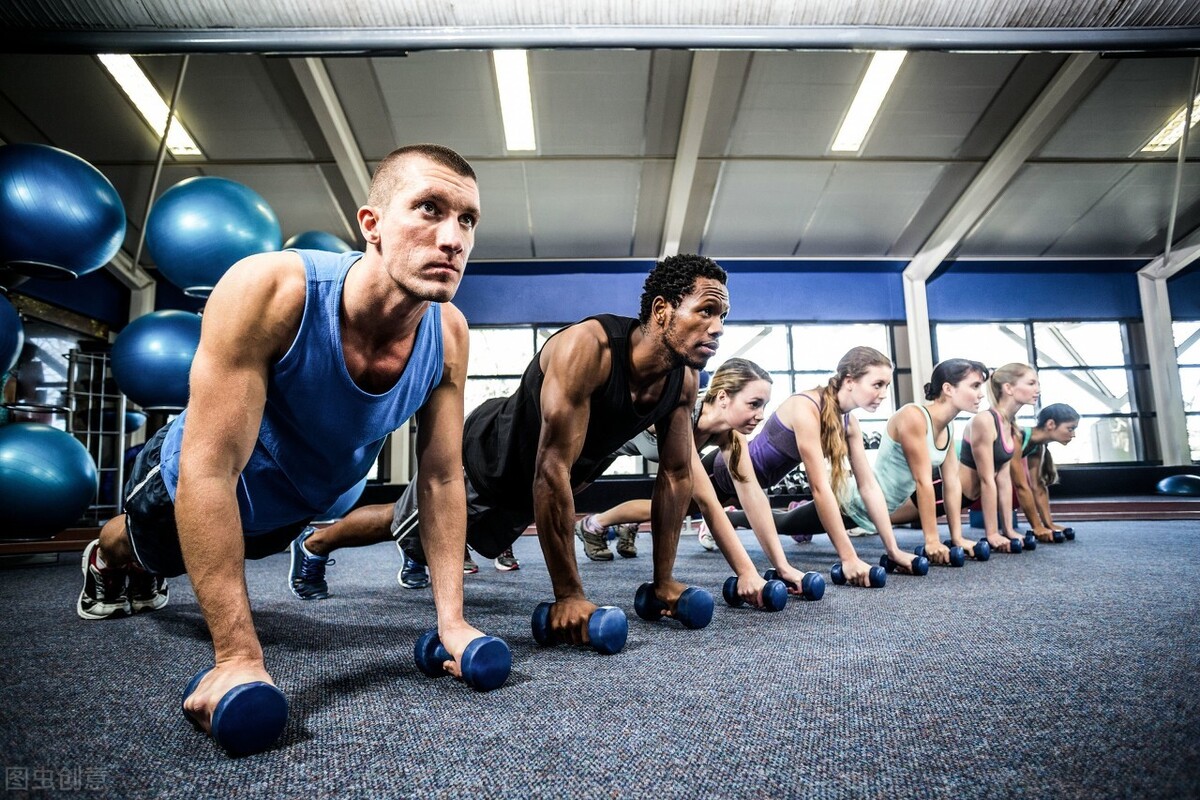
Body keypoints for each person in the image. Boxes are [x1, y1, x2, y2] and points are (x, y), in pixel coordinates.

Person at [76, 144, 492, 726]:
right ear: (370, 225)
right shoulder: (272, 290)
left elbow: (443, 477)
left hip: (294, 511)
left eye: (467, 219)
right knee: (146, 551)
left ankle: (145, 566)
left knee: (184, 567)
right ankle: (108, 554)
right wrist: (237, 658)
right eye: (428, 208)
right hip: (190, 489)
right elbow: (208, 470)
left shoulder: (449, 333)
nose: (453, 238)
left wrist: (452, 621)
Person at [309, 254, 730, 643]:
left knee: (461, 542)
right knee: (396, 523)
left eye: (723, 316)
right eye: (706, 311)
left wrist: (664, 582)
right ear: (661, 310)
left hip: (530, 489)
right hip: (485, 462)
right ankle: (316, 545)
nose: (718, 327)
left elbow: (675, 476)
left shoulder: (683, 381)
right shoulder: (589, 349)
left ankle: (421, 555)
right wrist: (568, 594)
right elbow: (551, 468)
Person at [576, 358, 812, 605]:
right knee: (559, 494)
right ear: (723, 397)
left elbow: (752, 495)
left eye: (764, 406)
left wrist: (783, 567)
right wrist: (746, 573)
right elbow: (709, 502)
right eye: (754, 404)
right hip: (593, 440)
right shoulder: (681, 416)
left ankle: (612, 525)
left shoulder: (731, 433)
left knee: (678, 503)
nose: (761, 415)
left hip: (625, 446)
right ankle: (591, 525)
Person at [716, 346, 924, 586]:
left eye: (887, 386)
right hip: (725, 473)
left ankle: (725, 518)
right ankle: (722, 519)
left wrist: (893, 550)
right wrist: (849, 558)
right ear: (849, 381)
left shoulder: (850, 424)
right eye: (877, 384)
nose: (884, 393)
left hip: (754, 488)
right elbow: (819, 488)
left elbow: (869, 487)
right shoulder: (806, 408)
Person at [858, 358, 991, 562]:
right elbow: (923, 481)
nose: (981, 393)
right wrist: (932, 540)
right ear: (948, 388)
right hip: (860, 503)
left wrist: (957, 538)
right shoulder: (914, 416)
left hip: (890, 507)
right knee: (791, 523)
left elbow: (952, 483)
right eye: (975, 386)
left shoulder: (947, 426)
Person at [957, 362, 1040, 553]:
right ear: (1008, 388)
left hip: (964, 497)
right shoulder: (985, 421)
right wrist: (992, 533)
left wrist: (1008, 530)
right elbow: (987, 480)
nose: (1037, 389)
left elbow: (1003, 480)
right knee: (883, 516)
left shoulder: (1009, 425)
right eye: (1031, 383)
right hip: (942, 494)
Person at [1011, 403, 1080, 542]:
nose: (1073, 434)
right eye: (1070, 428)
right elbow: (1021, 486)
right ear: (1051, 424)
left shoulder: (1038, 446)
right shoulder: (1018, 436)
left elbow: (1038, 486)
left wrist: (1049, 524)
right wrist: (1037, 527)